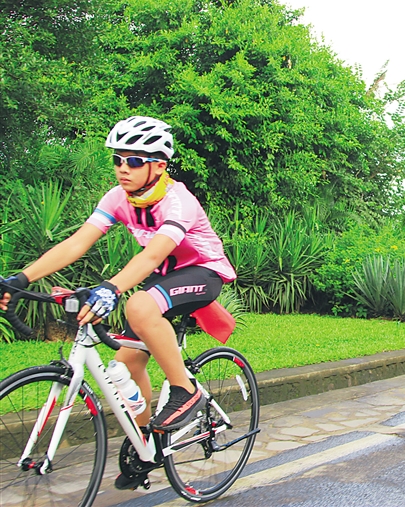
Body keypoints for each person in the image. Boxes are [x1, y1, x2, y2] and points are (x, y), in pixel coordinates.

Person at [0, 116, 236, 489]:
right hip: (163, 280)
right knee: (124, 367)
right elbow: (77, 243)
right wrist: (21, 279)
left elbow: (152, 256)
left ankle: (186, 392)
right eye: (118, 159)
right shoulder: (118, 198)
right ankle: (146, 448)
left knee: (137, 305)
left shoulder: (178, 201)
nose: (123, 168)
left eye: (135, 161)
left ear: (159, 165)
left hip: (203, 272)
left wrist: (110, 288)